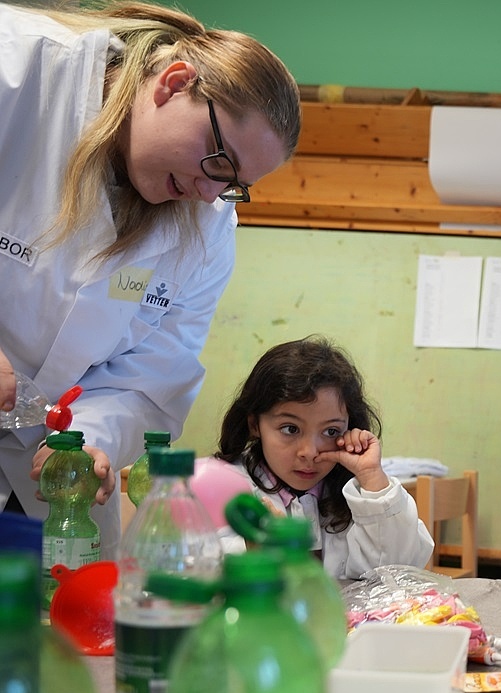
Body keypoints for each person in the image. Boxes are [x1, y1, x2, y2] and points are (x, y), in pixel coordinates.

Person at [0, 1, 300, 557]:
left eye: (234, 184)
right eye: (219, 161)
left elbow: (152, 377)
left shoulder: (208, 229)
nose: (211, 194)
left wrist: (88, 438)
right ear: (174, 83)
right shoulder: (19, 67)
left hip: (49, 493)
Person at [208, 337, 433, 580]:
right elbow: (195, 567)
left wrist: (372, 479)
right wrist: (254, 551)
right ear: (255, 424)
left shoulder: (355, 491)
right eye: (290, 429)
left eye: (331, 432)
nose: (310, 452)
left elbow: (397, 571)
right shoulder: (223, 487)